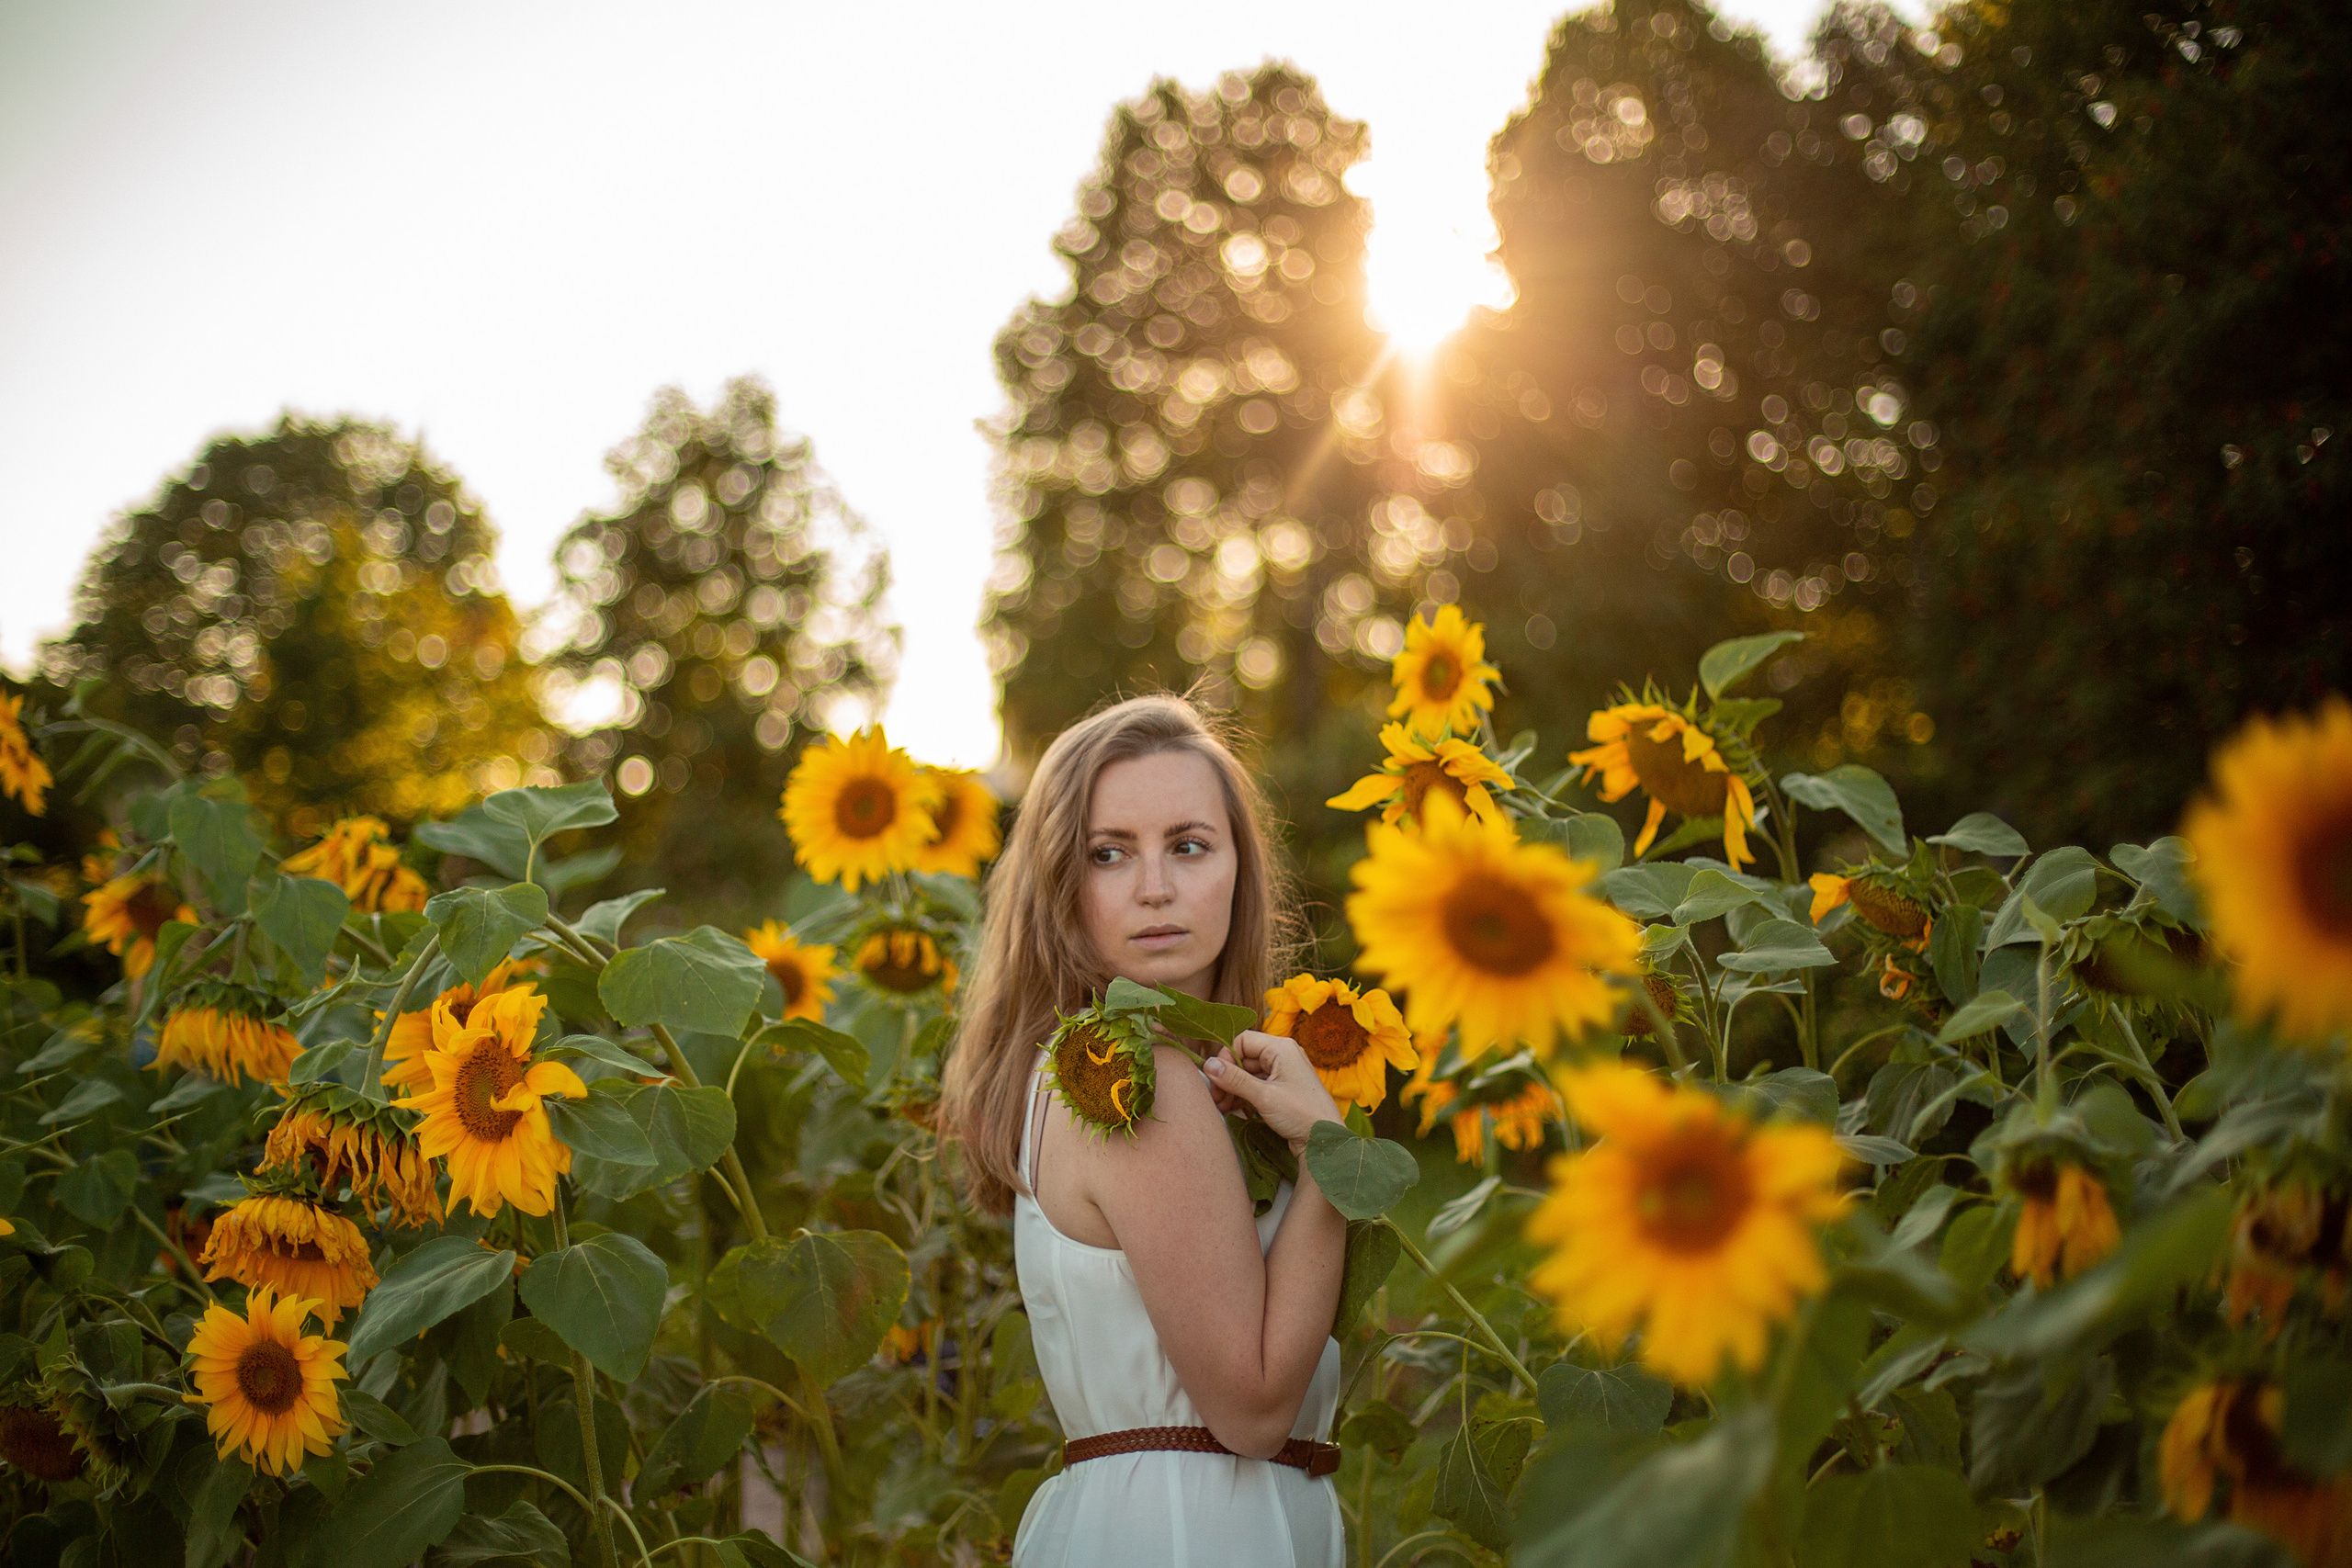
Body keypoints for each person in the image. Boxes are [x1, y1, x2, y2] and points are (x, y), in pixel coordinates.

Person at [943, 694, 1350, 1568]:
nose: (1155, 886)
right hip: (1190, 1536)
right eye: (1109, 853)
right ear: (1061, 883)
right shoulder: (1137, 1079)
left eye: (1189, 844)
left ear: (1240, 865)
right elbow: (1251, 1407)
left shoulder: (1104, 1069)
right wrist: (1331, 1159)